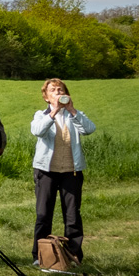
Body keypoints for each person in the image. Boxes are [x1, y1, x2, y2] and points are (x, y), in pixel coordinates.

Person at [31, 78, 96, 264]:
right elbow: (37, 131)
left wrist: (72, 110)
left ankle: (73, 255)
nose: (58, 92)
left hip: (71, 171)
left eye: (61, 89)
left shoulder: (74, 115)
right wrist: (54, 112)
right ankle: (40, 256)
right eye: (53, 90)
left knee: (73, 215)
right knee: (44, 214)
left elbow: (89, 129)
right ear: (46, 97)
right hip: (46, 171)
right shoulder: (41, 114)